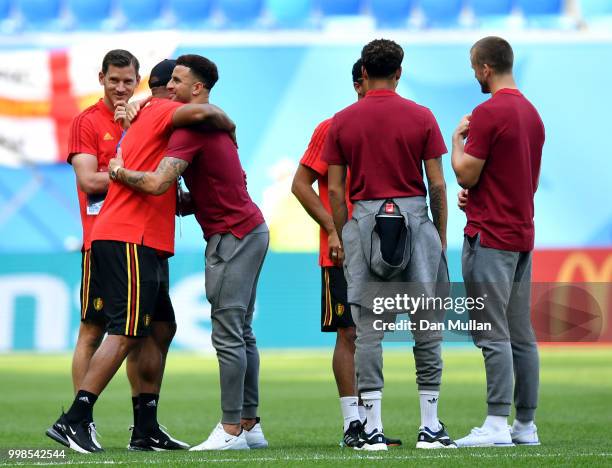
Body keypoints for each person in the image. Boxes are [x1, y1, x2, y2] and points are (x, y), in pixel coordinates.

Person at [46, 57, 236, 454]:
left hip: (144, 238)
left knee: (160, 328)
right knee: (126, 329)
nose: (183, 89)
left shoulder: (144, 117)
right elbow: (209, 112)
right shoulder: (163, 108)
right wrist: (224, 121)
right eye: (179, 83)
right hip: (129, 237)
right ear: (170, 89)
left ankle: (145, 428)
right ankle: (75, 419)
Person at [108, 54, 269, 451]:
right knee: (242, 333)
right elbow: (218, 187)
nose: (168, 89)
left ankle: (231, 430)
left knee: (228, 335)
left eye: (177, 82)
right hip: (248, 229)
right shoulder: (212, 127)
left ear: (197, 88)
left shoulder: (190, 129)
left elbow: (158, 183)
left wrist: (119, 171)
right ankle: (249, 424)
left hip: (232, 236)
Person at [323, 39, 455, 451]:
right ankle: (430, 427)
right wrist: (440, 235)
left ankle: (373, 429)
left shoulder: (341, 121)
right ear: (400, 72)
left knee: (368, 333)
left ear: (363, 72)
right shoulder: (421, 116)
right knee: (426, 329)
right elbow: (436, 182)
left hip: (363, 222)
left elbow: (334, 187)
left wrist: (345, 234)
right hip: (416, 221)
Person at [291, 59, 401, 449]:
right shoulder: (333, 126)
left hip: (385, 250)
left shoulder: (397, 124)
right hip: (342, 251)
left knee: (373, 335)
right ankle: (353, 424)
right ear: (359, 84)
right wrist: (334, 230)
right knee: (350, 332)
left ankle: (373, 423)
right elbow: (301, 184)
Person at [451, 36, 544, 447]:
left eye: (475, 69)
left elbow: (466, 173)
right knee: (520, 333)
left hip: (490, 236)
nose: (475, 75)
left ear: (485, 69)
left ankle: (494, 423)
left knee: (491, 332)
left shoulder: (487, 114)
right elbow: (523, 179)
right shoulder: (532, 114)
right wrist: (483, 192)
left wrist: (457, 142)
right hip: (521, 233)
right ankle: (525, 425)